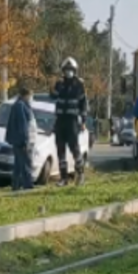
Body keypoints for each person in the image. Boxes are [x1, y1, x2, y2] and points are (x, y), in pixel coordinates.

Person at [51, 57, 89, 186]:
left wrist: (83, 121)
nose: (68, 72)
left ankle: (80, 174)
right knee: (60, 150)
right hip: (60, 120)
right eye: (66, 69)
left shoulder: (79, 84)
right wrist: (55, 85)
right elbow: (53, 96)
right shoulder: (59, 83)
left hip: (72, 121)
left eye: (71, 69)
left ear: (75, 70)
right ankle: (63, 178)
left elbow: (83, 103)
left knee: (75, 150)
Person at [5, 87, 36, 191]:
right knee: (26, 163)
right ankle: (28, 185)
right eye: (30, 95)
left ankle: (16, 185)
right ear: (25, 95)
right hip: (21, 140)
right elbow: (23, 125)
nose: (31, 98)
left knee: (18, 164)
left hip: (20, 140)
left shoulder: (22, 105)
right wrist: (25, 140)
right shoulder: (20, 106)